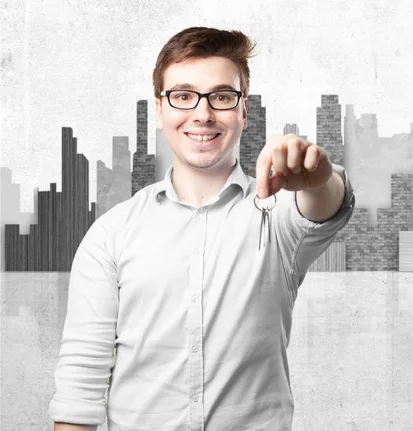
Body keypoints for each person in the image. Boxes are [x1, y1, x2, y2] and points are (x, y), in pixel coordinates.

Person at [49, 26, 355, 430]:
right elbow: (80, 389)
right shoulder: (112, 234)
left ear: (244, 112)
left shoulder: (276, 218)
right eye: (183, 95)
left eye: (222, 97)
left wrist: (318, 176)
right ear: (160, 111)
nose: (203, 113)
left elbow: (327, 205)